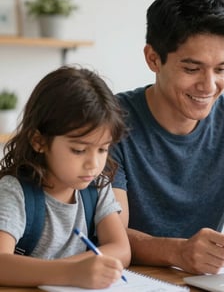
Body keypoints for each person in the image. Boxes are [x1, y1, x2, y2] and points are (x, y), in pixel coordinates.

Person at [111, 0, 224, 275]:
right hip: (130, 281)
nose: (209, 86)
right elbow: (112, 235)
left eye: (221, 69)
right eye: (192, 69)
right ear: (153, 59)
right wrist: (179, 251)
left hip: (204, 281)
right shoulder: (111, 121)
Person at [0, 66, 131, 288]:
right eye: (79, 150)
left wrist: (76, 271)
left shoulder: (97, 188)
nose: (94, 164)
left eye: (103, 149)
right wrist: (71, 271)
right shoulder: (14, 192)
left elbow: (121, 249)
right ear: (39, 141)